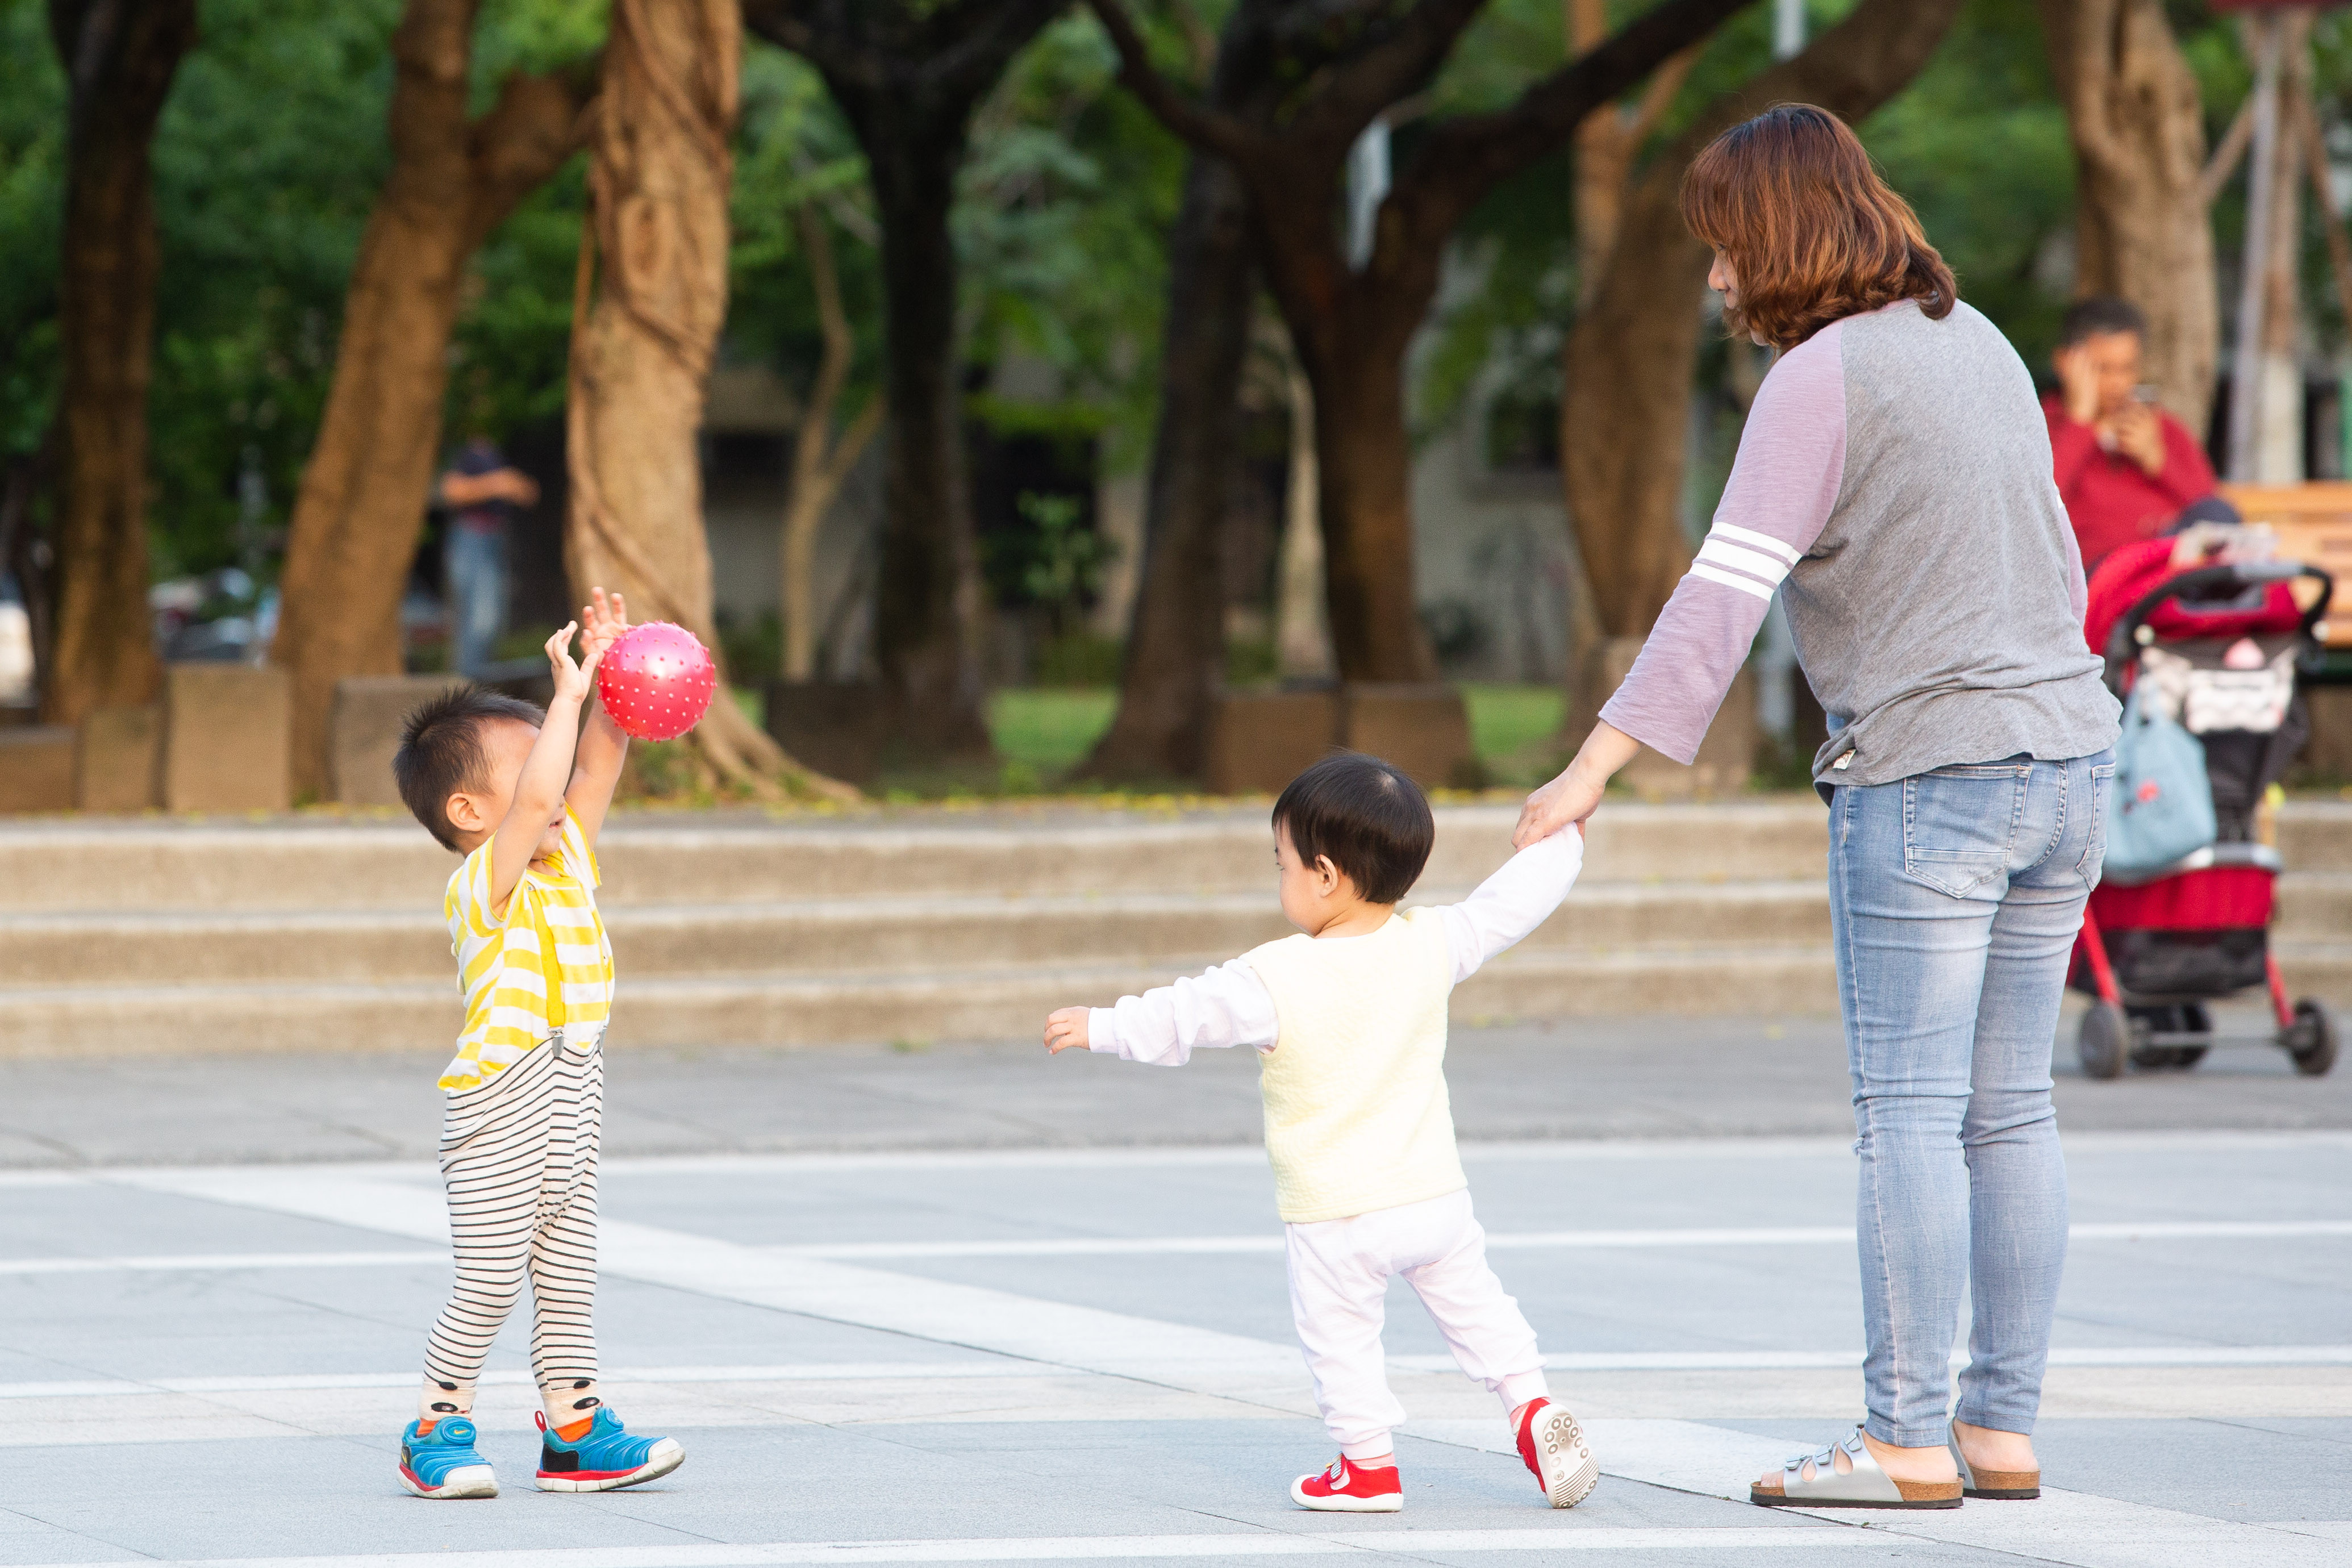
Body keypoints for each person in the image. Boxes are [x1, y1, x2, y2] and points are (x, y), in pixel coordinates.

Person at [1516, 106, 2118, 1509]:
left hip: (1929, 774)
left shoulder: (1816, 379)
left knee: (1908, 1110)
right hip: (2068, 759)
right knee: (2009, 1111)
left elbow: (1719, 595)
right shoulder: (1979, 343)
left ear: (1772, 237)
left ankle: (1903, 1438)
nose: (1715, 280)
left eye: (1721, 249)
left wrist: (1588, 770)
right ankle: (1998, 1428)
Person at [1044, 752, 1596, 1514]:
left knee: (1340, 1340)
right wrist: (1564, 837)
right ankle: (1532, 1406)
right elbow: (1509, 903)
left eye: (1284, 864)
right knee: (1480, 1310)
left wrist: (1101, 1026)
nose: (1281, 879)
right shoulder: (1432, 943)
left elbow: (1186, 1013)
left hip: (1337, 1212)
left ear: (1327, 875)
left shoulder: (1274, 977)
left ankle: (1367, 1465)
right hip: (1432, 1196)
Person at [389, 588, 684, 1500]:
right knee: (487, 1279)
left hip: (572, 1082)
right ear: (473, 811)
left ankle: (575, 1431)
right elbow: (548, 795)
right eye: (530, 775)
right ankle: (435, 1423)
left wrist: (609, 677)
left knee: (567, 1272)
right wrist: (560, 698)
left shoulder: (567, 857)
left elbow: (591, 770)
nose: (555, 793)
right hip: (499, 1102)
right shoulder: (488, 880)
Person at [2045, 296, 2219, 572]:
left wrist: (2158, 460)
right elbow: (2038, 504)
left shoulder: (2161, 429)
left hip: (2173, 569)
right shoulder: (2043, 426)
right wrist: (2081, 424)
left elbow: (2208, 506)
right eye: (2102, 369)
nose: (2117, 384)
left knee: (2219, 515)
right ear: (2065, 363)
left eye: (2127, 369)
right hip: (2101, 576)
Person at [437, 435, 540, 677]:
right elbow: (452, 491)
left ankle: (475, 685)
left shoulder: (500, 452)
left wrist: (514, 485)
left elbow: (529, 493)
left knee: (491, 621)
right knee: (477, 621)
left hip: (497, 538)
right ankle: (465, 686)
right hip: (471, 536)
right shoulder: (463, 452)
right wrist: (497, 483)